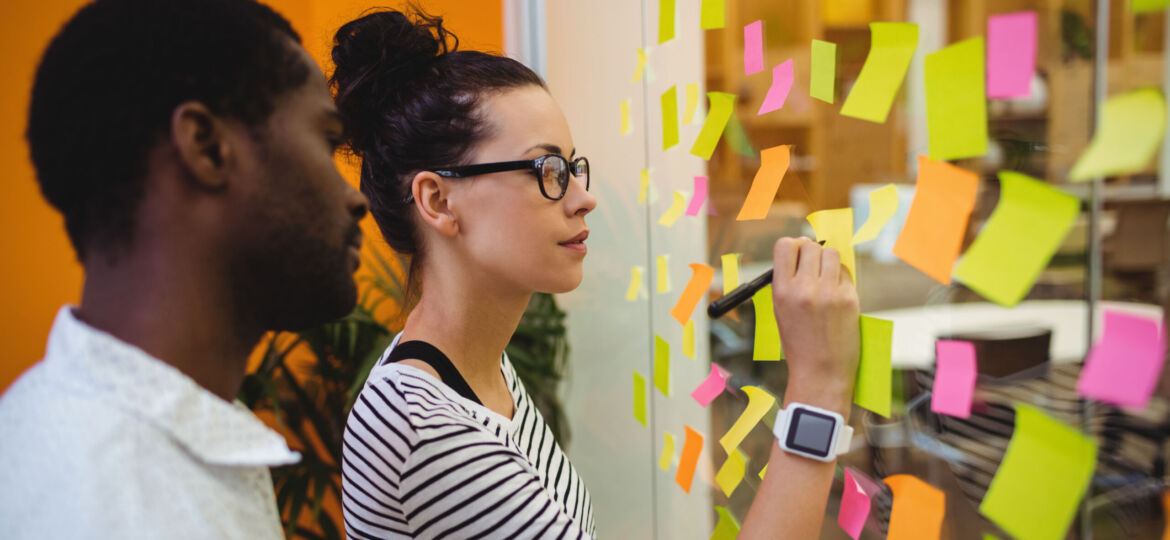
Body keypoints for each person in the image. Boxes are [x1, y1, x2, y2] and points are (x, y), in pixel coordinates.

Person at [332, 8, 860, 540]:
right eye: (548, 171)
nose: (584, 199)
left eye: (573, 168)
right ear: (438, 200)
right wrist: (818, 385)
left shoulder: (476, 372)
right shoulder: (426, 428)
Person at [0, 0, 369, 538]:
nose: (355, 198)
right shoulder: (102, 507)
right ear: (207, 147)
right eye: (328, 142)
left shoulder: (150, 451)